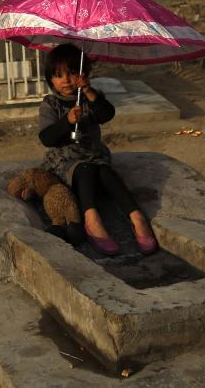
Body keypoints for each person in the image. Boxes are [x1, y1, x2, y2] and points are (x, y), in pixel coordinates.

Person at [38, 43, 157, 256]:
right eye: (58, 75)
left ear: (84, 74)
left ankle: (136, 217)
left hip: (93, 155)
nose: (65, 80)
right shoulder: (50, 104)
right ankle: (92, 219)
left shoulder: (90, 97)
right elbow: (46, 138)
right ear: (50, 80)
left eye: (72, 73)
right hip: (66, 163)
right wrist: (67, 121)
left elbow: (106, 114)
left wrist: (88, 91)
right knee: (85, 169)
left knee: (105, 171)